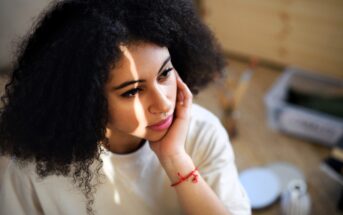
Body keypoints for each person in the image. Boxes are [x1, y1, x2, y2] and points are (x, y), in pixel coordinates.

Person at [0, 0, 251, 214]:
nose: (164, 103)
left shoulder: (203, 132)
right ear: (86, 99)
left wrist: (175, 159)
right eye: (132, 91)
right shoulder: (34, 171)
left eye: (164, 74)